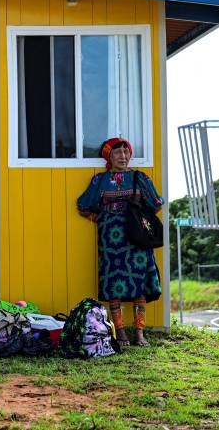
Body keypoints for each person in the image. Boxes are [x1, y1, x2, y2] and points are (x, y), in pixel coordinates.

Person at [77, 137, 163, 348]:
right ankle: (121, 332)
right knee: (114, 283)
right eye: (117, 153)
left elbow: (156, 203)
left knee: (139, 284)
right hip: (111, 238)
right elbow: (83, 205)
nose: (123, 156)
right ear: (109, 156)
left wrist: (138, 216)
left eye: (126, 152)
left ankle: (140, 333)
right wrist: (101, 218)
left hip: (137, 236)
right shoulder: (100, 181)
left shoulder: (139, 177)